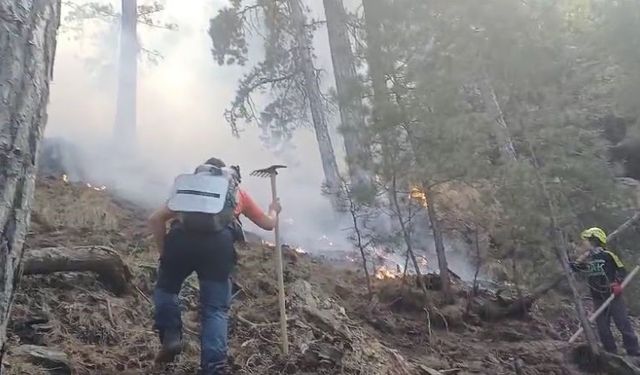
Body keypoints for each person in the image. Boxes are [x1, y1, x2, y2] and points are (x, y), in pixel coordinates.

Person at [148, 157, 281, 374]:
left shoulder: (189, 190)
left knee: (166, 290)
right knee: (215, 310)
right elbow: (267, 224)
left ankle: (171, 336)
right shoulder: (237, 193)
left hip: (180, 242)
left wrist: (165, 255)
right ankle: (214, 367)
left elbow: (155, 219)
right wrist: (274, 209)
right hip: (217, 248)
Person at [571, 227, 640, 356]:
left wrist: (618, 283)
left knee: (622, 322)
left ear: (594, 240)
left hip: (613, 295)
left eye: (586, 240)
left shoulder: (608, 255)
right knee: (602, 326)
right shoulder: (588, 258)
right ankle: (611, 351)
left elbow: (622, 270)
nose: (584, 243)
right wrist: (574, 264)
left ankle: (634, 350)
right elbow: (577, 268)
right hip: (597, 297)